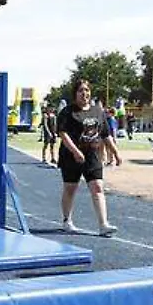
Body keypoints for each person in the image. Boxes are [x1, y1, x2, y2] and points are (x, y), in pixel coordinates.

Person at [56, 79, 118, 237]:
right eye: (81, 91)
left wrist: (116, 152)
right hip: (71, 156)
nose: (85, 94)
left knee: (97, 187)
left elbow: (105, 134)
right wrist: (75, 151)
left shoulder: (98, 111)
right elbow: (63, 134)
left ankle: (103, 224)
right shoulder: (68, 112)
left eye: (87, 90)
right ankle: (66, 220)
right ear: (75, 94)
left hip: (92, 156)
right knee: (71, 188)